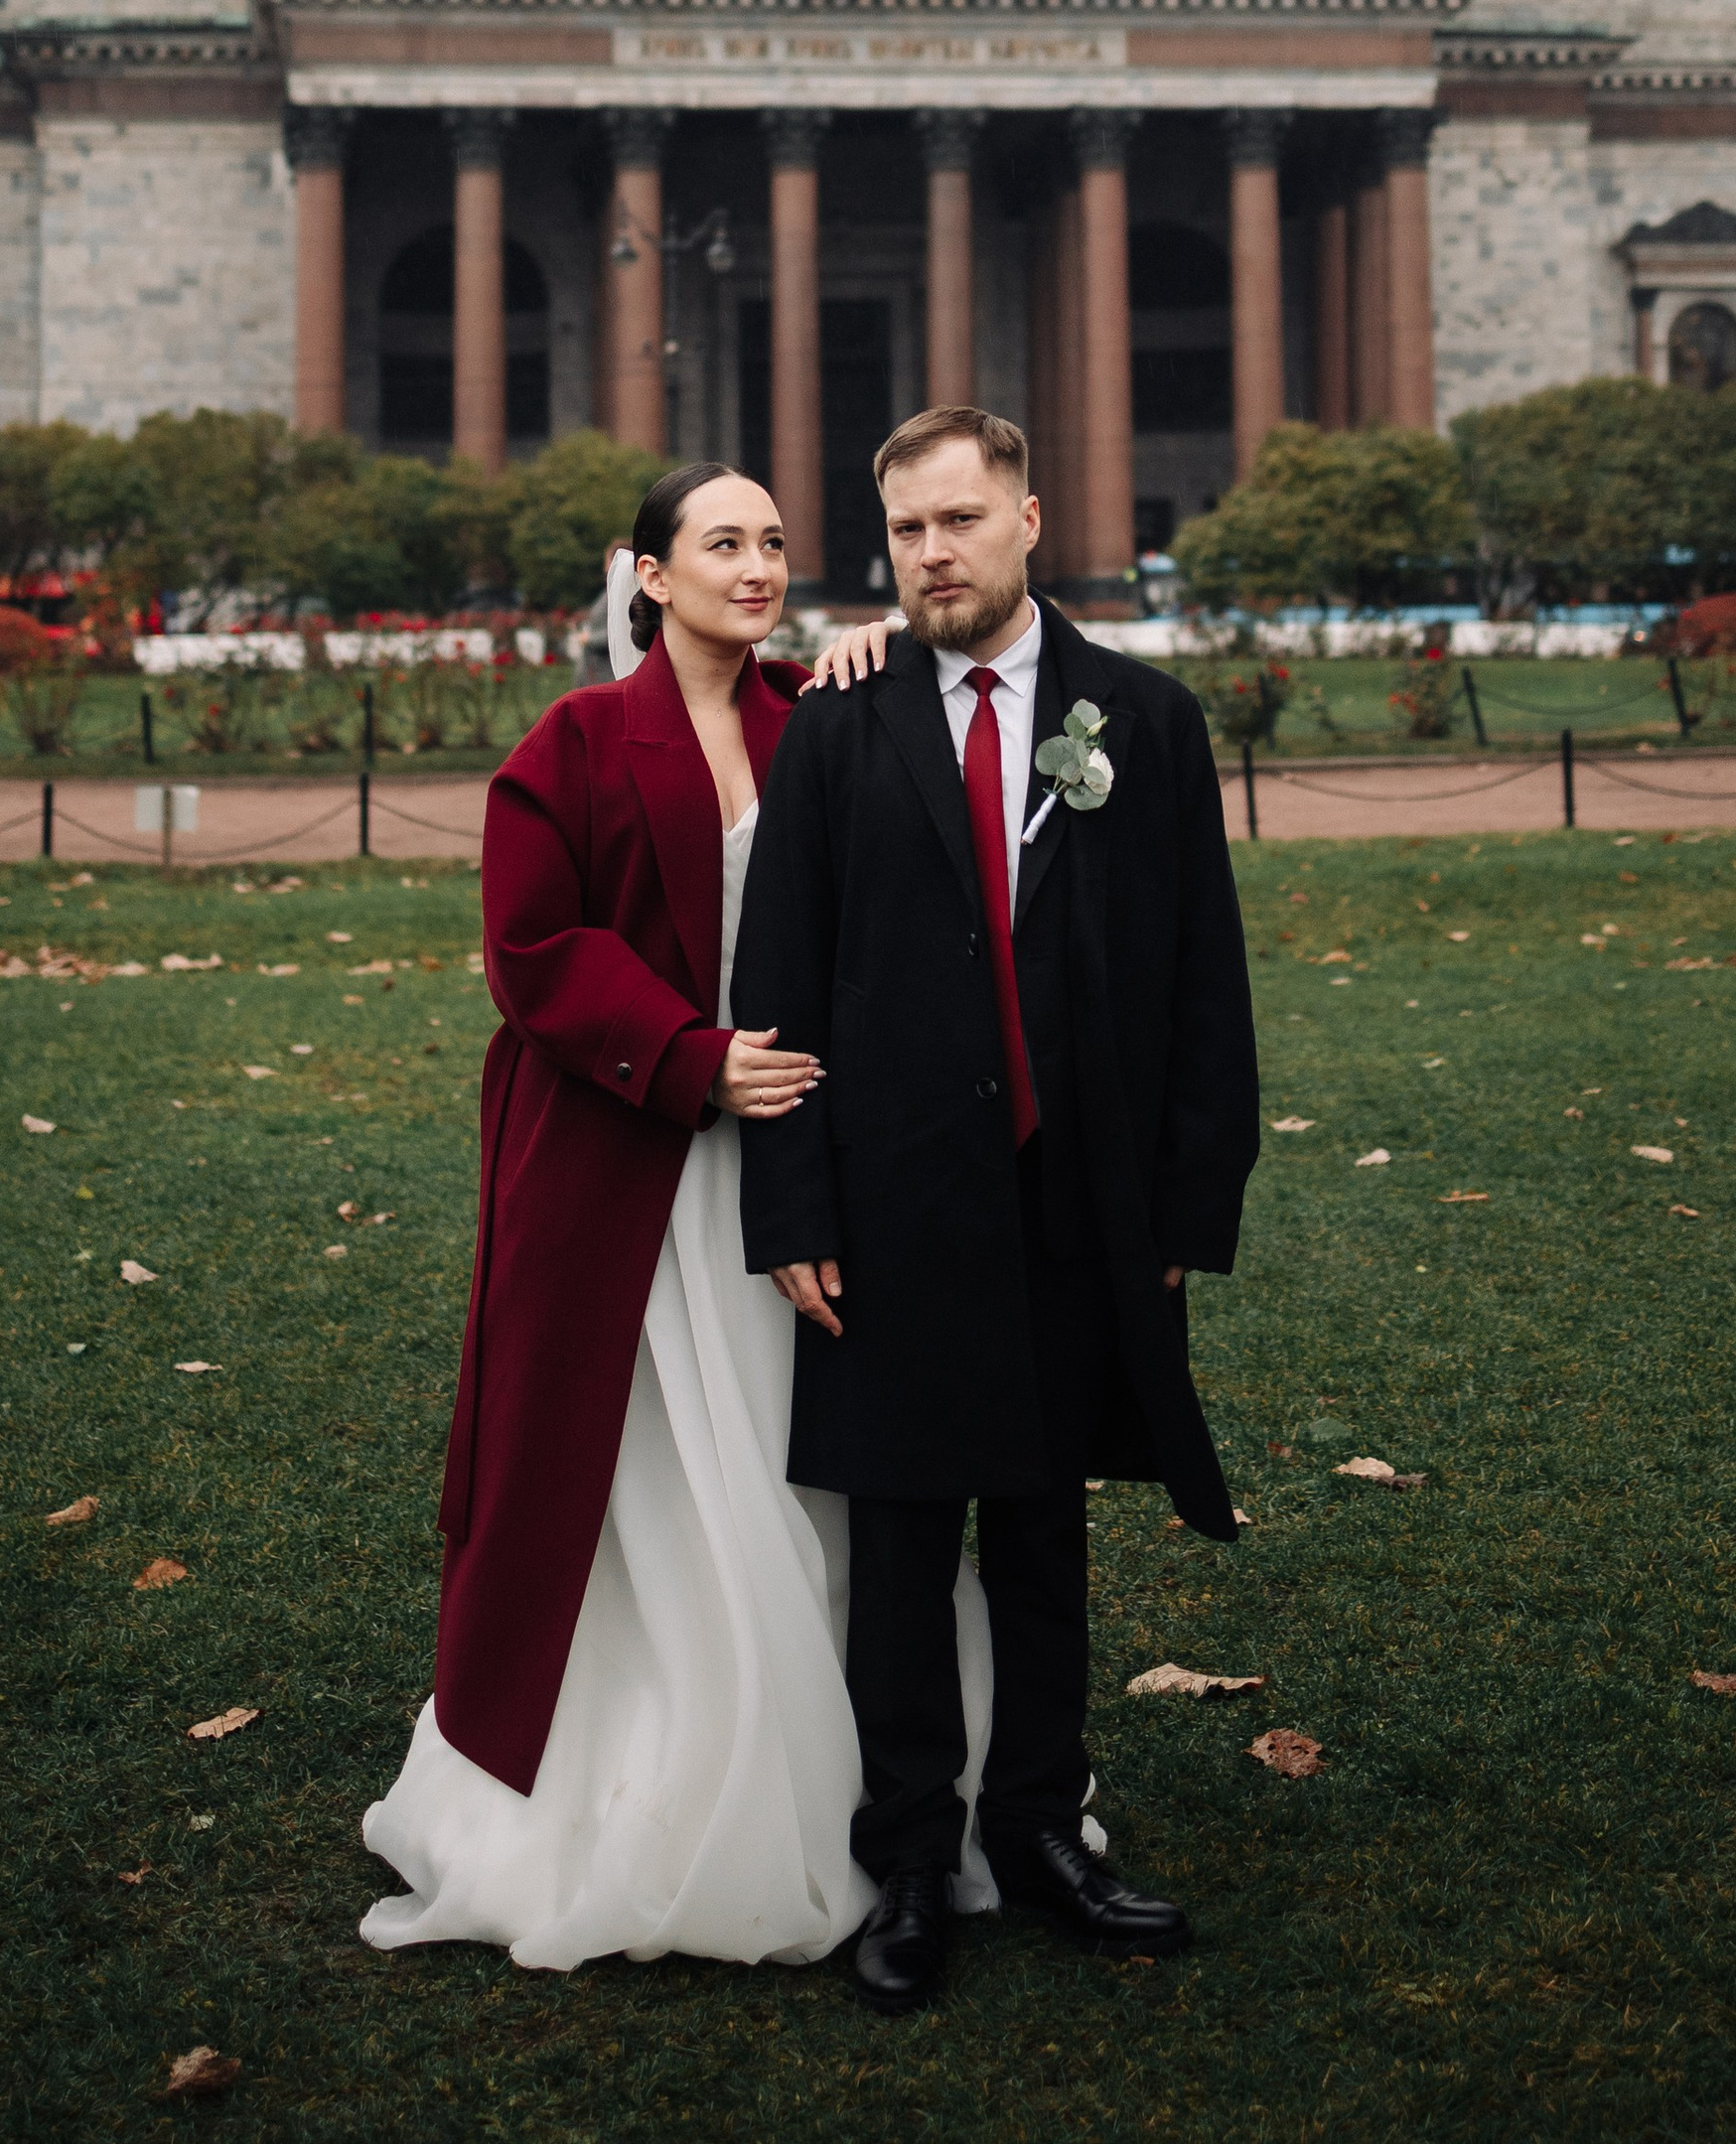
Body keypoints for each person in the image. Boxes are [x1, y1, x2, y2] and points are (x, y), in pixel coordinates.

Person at [361, 461, 971, 1967]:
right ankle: (627, 1779)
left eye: (773, 540)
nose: (756, 566)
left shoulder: (820, 724)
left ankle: (858, 1786)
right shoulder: (572, 742)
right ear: (648, 573)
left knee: (789, 1467)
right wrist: (693, 1062)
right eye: (721, 543)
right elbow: (533, 947)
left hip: (788, 1171)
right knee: (625, 1473)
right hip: (619, 1156)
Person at [737, 404, 1258, 2015]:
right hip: (890, 1202)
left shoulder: (1146, 722)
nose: (934, 553)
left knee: (1042, 1534)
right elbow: (783, 982)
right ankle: (907, 1863)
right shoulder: (835, 725)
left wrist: (1186, 1202)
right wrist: (793, 1207)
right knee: (899, 1545)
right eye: (906, 531)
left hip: (1076, 1200)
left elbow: (1202, 982)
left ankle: (1042, 1833)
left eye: (962, 520)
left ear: (1031, 522)